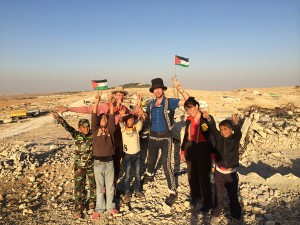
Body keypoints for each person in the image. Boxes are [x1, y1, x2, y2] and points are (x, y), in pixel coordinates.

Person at [57, 86, 133, 184]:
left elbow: (132, 116)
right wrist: (69, 108)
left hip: (118, 137)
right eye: (119, 94)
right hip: (106, 137)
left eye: (122, 95)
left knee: (117, 164)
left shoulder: (124, 109)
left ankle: (113, 188)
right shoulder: (105, 106)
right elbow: (87, 109)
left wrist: (140, 112)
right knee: (107, 164)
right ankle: (104, 189)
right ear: (114, 95)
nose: (121, 97)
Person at [143, 77, 190, 206]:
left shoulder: (170, 102)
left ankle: (173, 191)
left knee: (166, 164)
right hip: (152, 137)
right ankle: (150, 175)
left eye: (159, 88)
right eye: (155, 89)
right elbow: (147, 119)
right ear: (153, 91)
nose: (157, 91)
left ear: (163, 89)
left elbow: (189, 101)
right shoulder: (150, 105)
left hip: (165, 138)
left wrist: (180, 89)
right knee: (151, 159)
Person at [52, 112, 96, 219]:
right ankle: (78, 208)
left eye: (88, 127)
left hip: (91, 165)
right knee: (79, 188)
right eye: (83, 127)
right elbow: (68, 127)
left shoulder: (93, 135)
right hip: (79, 167)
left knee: (93, 185)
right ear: (79, 128)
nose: (86, 129)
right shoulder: (76, 134)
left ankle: (92, 203)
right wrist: (60, 119)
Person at [202, 112, 242, 224]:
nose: (222, 132)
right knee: (218, 195)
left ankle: (236, 215)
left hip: (231, 174)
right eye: (221, 129)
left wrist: (236, 124)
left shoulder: (235, 139)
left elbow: (238, 133)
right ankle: (216, 214)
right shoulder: (219, 137)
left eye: (225, 129)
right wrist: (209, 118)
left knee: (233, 196)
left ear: (231, 130)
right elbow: (212, 127)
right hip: (219, 173)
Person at [180, 97, 214, 212]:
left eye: (191, 108)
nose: (190, 111)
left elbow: (211, 136)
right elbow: (186, 135)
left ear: (197, 106)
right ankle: (195, 196)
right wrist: (182, 150)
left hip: (203, 148)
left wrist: (213, 154)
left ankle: (208, 202)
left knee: (204, 176)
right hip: (190, 147)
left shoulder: (205, 120)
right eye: (187, 110)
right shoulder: (188, 120)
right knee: (191, 175)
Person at [91, 92, 118, 219]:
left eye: (105, 118)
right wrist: (97, 102)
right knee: (100, 188)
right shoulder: (94, 129)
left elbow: (112, 116)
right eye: (102, 118)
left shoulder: (111, 129)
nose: (104, 119)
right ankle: (99, 208)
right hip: (97, 163)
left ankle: (110, 207)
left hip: (109, 162)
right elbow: (93, 116)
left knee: (110, 187)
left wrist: (111, 104)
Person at [119, 108, 145, 203]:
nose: (131, 121)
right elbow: (120, 122)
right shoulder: (123, 129)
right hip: (127, 156)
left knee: (138, 175)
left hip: (137, 155)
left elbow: (141, 121)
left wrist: (141, 114)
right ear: (126, 122)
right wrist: (121, 117)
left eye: (133, 119)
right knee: (127, 176)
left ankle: (138, 191)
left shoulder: (136, 128)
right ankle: (127, 193)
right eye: (129, 119)